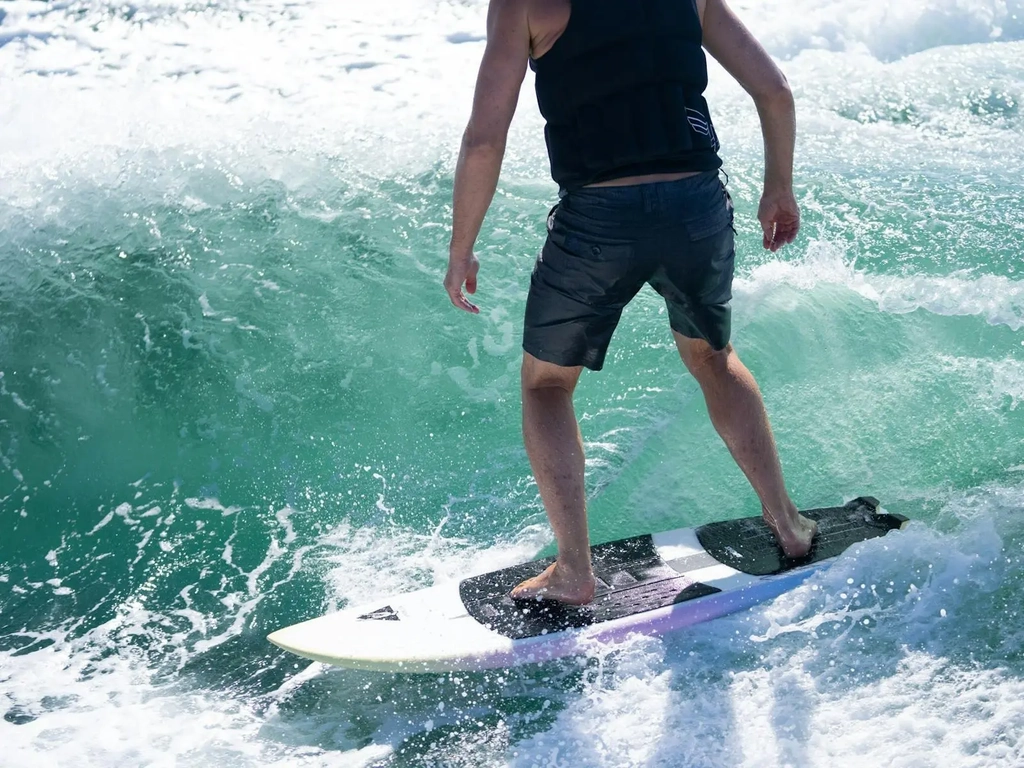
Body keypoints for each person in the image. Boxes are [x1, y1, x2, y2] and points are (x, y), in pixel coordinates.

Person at [443, 0, 817, 605]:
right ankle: (789, 525)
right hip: (695, 206)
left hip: (599, 218)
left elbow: (486, 137)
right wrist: (779, 186)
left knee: (546, 386)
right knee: (714, 360)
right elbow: (774, 89)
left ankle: (573, 570)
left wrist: (463, 248)